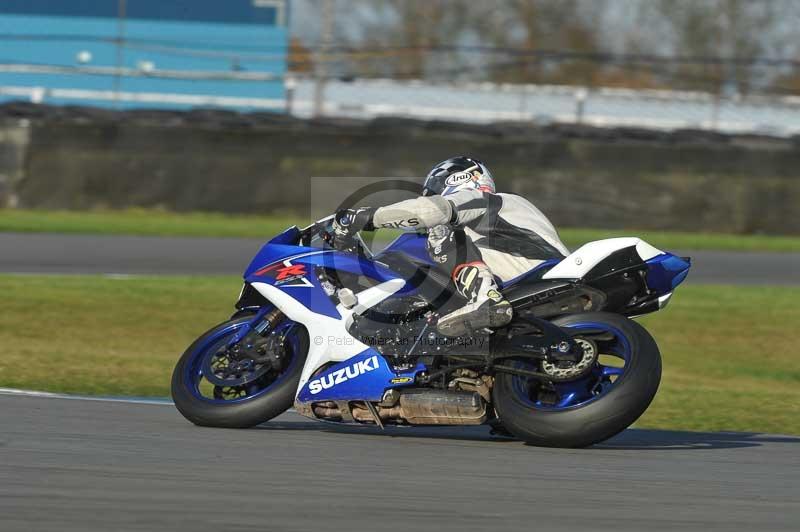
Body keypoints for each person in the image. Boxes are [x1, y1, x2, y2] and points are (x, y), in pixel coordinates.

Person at [332, 156, 570, 337]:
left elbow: (436, 211)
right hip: (531, 282)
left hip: (537, 276)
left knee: (441, 231)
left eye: (432, 192)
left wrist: (368, 218)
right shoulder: (497, 217)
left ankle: (486, 298)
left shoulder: (487, 201)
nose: (430, 197)